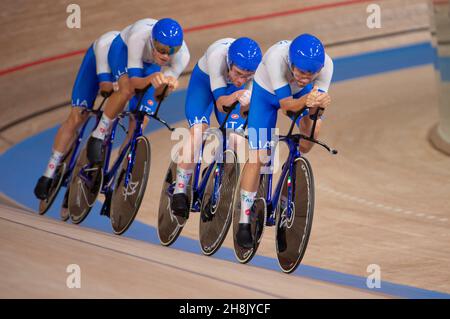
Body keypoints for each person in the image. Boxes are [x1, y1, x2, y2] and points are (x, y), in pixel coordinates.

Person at [236, 34, 333, 248]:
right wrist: (307, 100)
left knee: (310, 138)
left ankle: (288, 170)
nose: (304, 77)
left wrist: (318, 105)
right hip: (266, 95)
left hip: (299, 97)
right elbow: (287, 105)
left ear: (319, 69)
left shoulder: (327, 66)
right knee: (258, 155)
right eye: (299, 71)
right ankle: (244, 219)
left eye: (311, 74)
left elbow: (313, 111)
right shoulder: (276, 58)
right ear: (290, 62)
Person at [170, 37, 263, 218]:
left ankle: (214, 177)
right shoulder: (216, 56)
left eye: (247, 76)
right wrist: (238, 94)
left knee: (235, 139)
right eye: (237, 73)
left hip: (231, 94)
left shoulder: (257, 72)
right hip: (204, 84)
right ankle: (179, 190)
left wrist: (246, 104)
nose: (241, 79)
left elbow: (245, 111)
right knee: (198, 131)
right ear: (229, 63)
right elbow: (221, 104)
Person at [86, 18, 190, 165]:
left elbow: (159, 95)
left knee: (143, 115)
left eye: (172, 51)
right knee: (127, 89)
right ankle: (99, 134)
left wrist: (167, 87)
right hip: (123, 51)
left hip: (150, 63)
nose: (166, 56)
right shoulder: (138, 37)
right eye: (162, 49)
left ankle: (122, 164)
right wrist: (152, 78)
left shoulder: (183, 56)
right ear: (153, 41)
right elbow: (135, 83)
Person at [34, 30, 120, 206]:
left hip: (118, 72)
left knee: (114, 115)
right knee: (78, 115)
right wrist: (105, 83)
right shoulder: (107, 44)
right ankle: (49, 172)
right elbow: (104, 80)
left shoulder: (138, 56)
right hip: (96, 63)